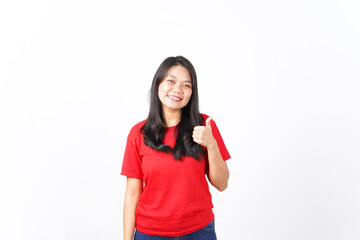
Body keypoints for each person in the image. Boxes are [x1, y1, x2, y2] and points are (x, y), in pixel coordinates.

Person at [121, 56, 231, 240]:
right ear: (158, 84)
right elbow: (132, 194)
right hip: (150, 234)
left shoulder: (205, 125)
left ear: (192, 92)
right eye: (170, 81)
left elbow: (222, 184)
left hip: (199, 231)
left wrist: (211, 145)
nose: (177, 89)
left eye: (186, 85)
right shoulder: (138, 133)